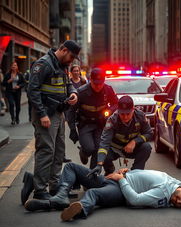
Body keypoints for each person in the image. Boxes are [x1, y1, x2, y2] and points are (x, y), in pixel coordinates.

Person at [23, 162, 181, 221]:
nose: (179, 201)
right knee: (72, 167)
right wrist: (126, 172)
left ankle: (78, 210)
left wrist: (121, 180)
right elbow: (145, 177)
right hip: (119, 179)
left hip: (120, 190)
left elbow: (135, 200)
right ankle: (60, 196)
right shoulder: (172, 181)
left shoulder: (163, 192)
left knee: (93, 194)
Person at [26, 40, 80, 201]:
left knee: (59, 152)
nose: (71, 61)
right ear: (63, 50)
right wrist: (42, 114)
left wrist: (73, 93)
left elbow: (68, 84)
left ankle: (54, 187)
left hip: (58, 113)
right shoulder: (44, 64)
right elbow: (32, 90)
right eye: (71, 57)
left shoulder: (62, 65)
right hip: (46, 114)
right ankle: (40, 190)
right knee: (46, 150)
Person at [88, 95, 153, 177]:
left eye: (128, 114)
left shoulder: (140, 116)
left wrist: (135, 141)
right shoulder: (112, 120)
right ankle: (109, 170)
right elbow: (104, 143)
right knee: (100, 150)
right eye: (122, 114)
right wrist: (99, 164)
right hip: (115, 149)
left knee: (146, 147)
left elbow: (149, 133)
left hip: (131, 149)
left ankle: (135, 174)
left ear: (133, 110)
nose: (125, 117)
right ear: (118, 111)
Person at [67, 67, 118, 169]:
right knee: (89, 148)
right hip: (85, 124)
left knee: (99, 148)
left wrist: (108, 112)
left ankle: (92, 175)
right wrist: (72, 129)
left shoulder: (108, 90)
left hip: (101, 124)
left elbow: (115, 104)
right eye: (95, 84)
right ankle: (83, 152)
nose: (98, 87)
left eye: (101, 83)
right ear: (90, 80)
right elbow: (71, 111)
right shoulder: (81, 92)